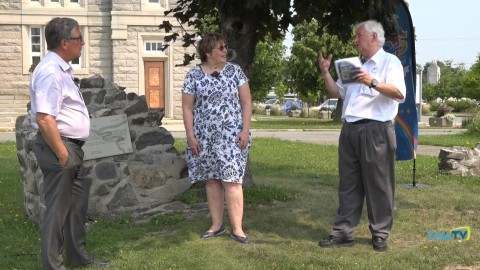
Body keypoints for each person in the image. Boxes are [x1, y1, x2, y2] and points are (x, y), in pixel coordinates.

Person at [317, 20, 406, 252]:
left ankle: (380, 233)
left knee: (379, 184)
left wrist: (371, 81)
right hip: (350, 129)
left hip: (376, 129)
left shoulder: (390, 61)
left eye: (359, 36)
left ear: (374, 37)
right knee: (348, 184)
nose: (355, 40)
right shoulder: (352, 65)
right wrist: (326, 72)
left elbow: (398, 93)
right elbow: (337, 93)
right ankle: (343, 232)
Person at [30, 17, 109, 269]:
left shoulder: (62, 69)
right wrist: (63, 154)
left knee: (76, 207)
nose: (82, 42)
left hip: (71, 147)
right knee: (57, 211)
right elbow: (44, 118)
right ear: (65, 42)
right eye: (78, 38)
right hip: (59, 148)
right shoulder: (50, 71)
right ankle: (53, 265)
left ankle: (78, 257)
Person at [182, 32, 252, 244]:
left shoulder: (235, 72)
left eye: (225, 47)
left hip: (232, 137)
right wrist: (191, 136)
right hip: (204, 139)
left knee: (232, 181)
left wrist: (244, 131)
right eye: (221, 48)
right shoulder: (193, 75)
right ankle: (216, 225)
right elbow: (187, 108)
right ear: (207, 51)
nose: (225, 51)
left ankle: (238, 228)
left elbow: (246, 103)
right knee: (212, 182)